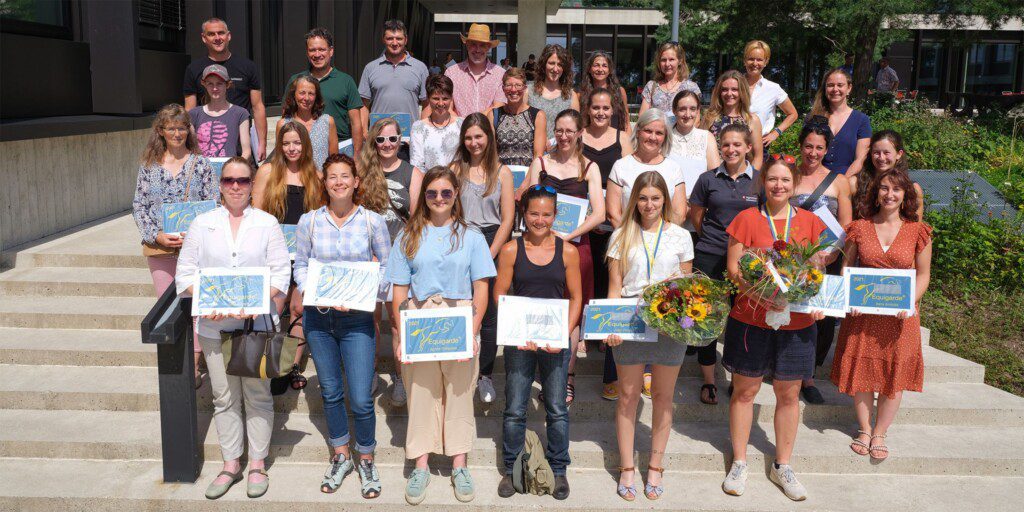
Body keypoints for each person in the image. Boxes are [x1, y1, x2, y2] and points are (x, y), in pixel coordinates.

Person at [174, 157, 289, 500]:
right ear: (220, 184)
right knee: (223, 398)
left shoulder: (267, 223)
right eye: (229, 180)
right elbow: (185, 274)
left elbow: (281, 273)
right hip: (213, 328)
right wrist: (213, 304)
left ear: (253, 184)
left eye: (242, 180)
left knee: (257, 396)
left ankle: (256, 463)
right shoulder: (202, 223)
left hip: (255, 327)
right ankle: (230, 463)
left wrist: (252, 301)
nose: (236, 186)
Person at [386, 166, 497, 505]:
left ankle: (459, 463)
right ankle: (420, 463)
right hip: (420, 320)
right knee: (421, 393)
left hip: (459, 320)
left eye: (445, 192)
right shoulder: (408, 235)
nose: (438, 198)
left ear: (455, 196)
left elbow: (482, 289)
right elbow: (399, 292)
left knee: (459, 393)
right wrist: (403, 332)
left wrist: (473, 332)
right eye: (432, 192)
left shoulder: (473, 237)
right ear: (425, 197)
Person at [721, 155, 828, 502]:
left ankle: (782, 464)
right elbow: (735, 269)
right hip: (751, 317)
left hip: (796, 322)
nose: (778, 186)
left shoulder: (811, 222)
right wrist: (761, 295)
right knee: (745, 391)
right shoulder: (746, 218)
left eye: (785, 180)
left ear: (794, 184)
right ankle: (739, 462)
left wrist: (813, 295)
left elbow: (817, 271)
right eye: (772, 180)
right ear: (762, 183)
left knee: (788, 394)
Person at [293, 154, 391, 498]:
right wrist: (313, 292)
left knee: (362, 397)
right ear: (325, 182)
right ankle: (340, 455)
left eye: (345, 176)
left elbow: (386, 270)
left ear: (356, 181)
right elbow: (301, 266)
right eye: (332, 176)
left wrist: (364, 293)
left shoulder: (373, 222)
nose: (338, 182)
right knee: (332, 392)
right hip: (318, 319)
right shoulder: (309, 221)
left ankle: (366, 457)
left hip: (357, 319)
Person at [603, 171, 694, 502]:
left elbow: (688, 288)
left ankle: (655, 466)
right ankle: (627, 466)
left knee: (663, 396)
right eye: (643, 198)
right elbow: (615, 288)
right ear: (634, 200)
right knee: (627, 395)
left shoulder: (681, 237)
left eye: (656, 198)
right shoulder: (620, 236)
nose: (649, 204)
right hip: (630, 322)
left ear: (665, 201)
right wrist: (609, 325)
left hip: (670, 324)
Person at [831, 168, 932, 462]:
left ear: (905, 196)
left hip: (901, 317)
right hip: (864, 314)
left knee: (893, 375)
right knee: (862, 372)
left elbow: (924, 275)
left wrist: (911, 301)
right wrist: (851, 295)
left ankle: (880, 432)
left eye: (896, 190)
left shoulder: (918, 231)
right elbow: (846, 269)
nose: (889, 194)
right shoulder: (859, 228)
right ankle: (864, 429)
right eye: (884, 188)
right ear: (876, 193)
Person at [494, 185, 582, 501]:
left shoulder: (568, 251)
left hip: (555, 343)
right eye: (534, 213)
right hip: (522, 342)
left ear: (555, 215)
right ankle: (512, 468)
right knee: (515, 408)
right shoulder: (510, 251)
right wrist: (516, 331)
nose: (540, 220)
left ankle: (558, 470)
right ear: (524, 215)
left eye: (546, 214)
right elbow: (500, 294)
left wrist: (562, 335)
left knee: (557, 409)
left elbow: (576, 298)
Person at [132, 104, 217, 384]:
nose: (177, 133)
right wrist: (156, 235)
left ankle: (191, 367)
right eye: (171, 128)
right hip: (161, 250)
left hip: (194, 251)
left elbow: (213, 203)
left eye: (182, 128)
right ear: (161, 131)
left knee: (195, 307)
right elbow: (139, 207)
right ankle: (174, 363)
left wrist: (197, 235)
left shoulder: (200, 164)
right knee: (167, 307)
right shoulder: (149, 167)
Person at [528, 109, 606, 404]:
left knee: (572, 313)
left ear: (579, 134)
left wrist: (568, 235)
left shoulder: (590, 167)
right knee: (541, 306)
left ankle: (567, 375)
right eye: (558, 130)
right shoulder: (541, 163)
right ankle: (540, 367)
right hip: (539, 247)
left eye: (568, 131)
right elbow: (529, 201)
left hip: (575, 248)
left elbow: (598, 213)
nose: (563, 136)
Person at [686, 124, 761, 405]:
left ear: (748, 148)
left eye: (737, 145)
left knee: (741, 319)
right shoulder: (707, 179)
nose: (731, 149)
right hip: (711, 253)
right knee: (706, 317)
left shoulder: (759, 182)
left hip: (747, 262)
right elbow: (697, 215)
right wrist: (712, 239)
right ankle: (709, 380)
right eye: (726, 145)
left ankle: (736, 374)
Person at [253, 121, 326, 391]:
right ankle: (266, 362)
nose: (292, 148)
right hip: (274, 253)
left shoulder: (315, 176)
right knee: (274, 309)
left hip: (305, 255)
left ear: (305, 145)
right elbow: (256, 212)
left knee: (298, 310)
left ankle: (289, 365)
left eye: (297, 143)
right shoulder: (267, 171)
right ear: (279, 145)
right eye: (286, 143)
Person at [451, 113, 515, 403]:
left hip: (493, 242)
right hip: (461, 240)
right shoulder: (454, 169)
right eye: (468, 137)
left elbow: (508, 218)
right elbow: (448, 212)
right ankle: (459, 370)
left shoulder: (502, 172)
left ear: (488, 138)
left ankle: (486, 376)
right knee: (461, 306)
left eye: (479, 136)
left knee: (488, 314)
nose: (474, 142)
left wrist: (489, 255)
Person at [360, 117, 424, 407]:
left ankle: (400, 377)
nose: (387, 145)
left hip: (399, 258)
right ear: (374, 142)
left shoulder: (413, 173)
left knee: (398, 323)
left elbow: (416, 220)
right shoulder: (362, 172)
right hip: (368, 258)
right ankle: (370, 372)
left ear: (402, 141)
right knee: (369, 322)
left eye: (392, 139)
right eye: (381, 140)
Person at [791, 123, 852, 404]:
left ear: (826, 150)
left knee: (824, 319)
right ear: (801, 145)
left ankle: (810, 375)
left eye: (819, 148)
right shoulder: (789, 176)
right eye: (808, 146)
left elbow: (846, 223)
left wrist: (834, 252)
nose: (813, 153)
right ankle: (788, 367)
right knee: (794, 312)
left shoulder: (839, 181)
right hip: (793, 259)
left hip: (829, 258)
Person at [582, 87, 635, 400]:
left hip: (614, 216)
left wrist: (615, 214)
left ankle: (605, 334)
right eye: (596, 108)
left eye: (605, 108)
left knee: (613, 276)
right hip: (584, 216)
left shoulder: (622, 138)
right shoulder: (579, 135)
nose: (600, 113)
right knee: (590, 276)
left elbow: (627, 177)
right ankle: (590, 333)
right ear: (588, 109)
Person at [183, 18, 267, 160]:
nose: (217, 38)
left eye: (221, 33)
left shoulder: (247, 67)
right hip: (206, 147)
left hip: (241, 143)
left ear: (228, 36)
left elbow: (257, 106)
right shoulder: (193, 69)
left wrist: (262, 142)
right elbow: (189, 110)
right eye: (211, 34)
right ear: (204, 38)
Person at [286, 28, 364, 156]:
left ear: (331, 51)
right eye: (312, 50)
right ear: (307, 53)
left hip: (341, 147)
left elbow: (356, 123)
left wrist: (357, 155)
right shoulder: (296, 81)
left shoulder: (346, 81)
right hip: (302, 148)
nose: (317, 55)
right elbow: (286, 116)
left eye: (322, 49)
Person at [607, 108, 687, 229]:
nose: (653, 137)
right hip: (628, 241)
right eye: (648, 131)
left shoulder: (674, 168)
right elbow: (614, 214)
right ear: (638, 131)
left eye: (659, 133)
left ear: (665, 137)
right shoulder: (620, 166)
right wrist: (631, 240)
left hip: (662, 242)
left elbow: (679, 215)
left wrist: (659, 238)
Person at [358, 20, 429, 128]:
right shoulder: (370, 68)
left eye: (399, 38)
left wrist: (422, 132)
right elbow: (363, 104)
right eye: (390, 38)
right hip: (379, 137)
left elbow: (427, 104)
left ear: (406, 40)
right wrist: (364, 131)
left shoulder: (420, 68)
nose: (395, 43)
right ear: (383, 40)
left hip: (410, 138)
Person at [669, 89, 721, 225]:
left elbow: (715, 176)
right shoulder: (665, 137)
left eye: (692, 109)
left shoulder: (706, 137)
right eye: (682, 109)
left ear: (698, 111)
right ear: (674, 110)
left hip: (699, 211)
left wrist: (694, 204)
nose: (687, 114)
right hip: (669, 213)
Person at [808, 68, 871, 176]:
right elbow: (807, 153)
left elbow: (860, 159)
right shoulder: (814, 117)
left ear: (849, 88)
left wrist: (842, 181)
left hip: (848, 179)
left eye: (840, 85)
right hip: (816, 177)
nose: (835, 89)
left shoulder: (861, 120)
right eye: (830, 85)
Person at [850, 130, 924, 221]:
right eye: (876, 153)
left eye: (886, 152)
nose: (881, 158)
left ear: (898, 154)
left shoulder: (913, 189)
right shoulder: (855, 184)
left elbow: (916, 227)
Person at [701, 70, 764, 170]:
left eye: (734, 89)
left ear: (742, 92)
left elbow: (758, 156)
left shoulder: (752, 120)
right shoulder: (709, 117)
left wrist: (750, 180)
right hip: (715, 176)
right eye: (725, 89)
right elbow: (701, 150)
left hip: (742, 178)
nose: (729, 93)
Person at [188, 64, 251, 160]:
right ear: (203, 84)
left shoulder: (240, 113)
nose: (215, 88)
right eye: (210, 84)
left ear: (228, 84)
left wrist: (236, 169)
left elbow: (246, 152)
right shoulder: (193, 114)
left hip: (229, 169)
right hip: (201, 169)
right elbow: (190, 147)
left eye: (219, 84)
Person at [443, 23, 506, 118]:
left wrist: (476, 123)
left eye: (482, 45)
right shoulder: (451, 73)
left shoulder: (500, 74)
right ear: (467, 45)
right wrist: (464, 126)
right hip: (459, 130)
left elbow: (498, 106)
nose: (477, 49)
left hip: (488, 130)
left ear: (488, 47)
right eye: (473, 44)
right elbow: (447, 107)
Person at [743, 41, 799, 147]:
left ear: (766, 62)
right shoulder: (734, 85)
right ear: (745, 60)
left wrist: (776, 133)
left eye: (759, 60)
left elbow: (793, 114)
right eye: (751, 59)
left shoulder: (773, 89)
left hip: (759, 146)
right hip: (733, 145)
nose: (755, 63)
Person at [489, 67, 546, 168]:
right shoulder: (494, 115)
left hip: (528, 176)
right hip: (501, 176)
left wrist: (526, 182)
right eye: (509, 85)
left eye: (518, 85)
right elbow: (491, 153)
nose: (513, 89)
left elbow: (538, 156)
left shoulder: (537, 116)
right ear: (503, 88)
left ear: (524, 88)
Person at [278, 75, 338, 170]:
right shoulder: (283, 124)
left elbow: (334, 160)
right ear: (294, 94)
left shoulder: (328, 122)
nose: (306, 98)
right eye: (302, 93)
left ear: (316, 96)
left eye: (311, 94)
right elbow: (280, 159)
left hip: (320, 181)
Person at [410, 74, 464, 171]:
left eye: (445, 98)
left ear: (451, 98)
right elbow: (417, 164)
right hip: (428, 183)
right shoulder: (418, 127)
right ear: (428, 98)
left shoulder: (461, 124)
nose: (440, 103)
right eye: (435, 98)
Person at [527, 44, 580, 140]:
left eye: (560, 65)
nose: (555, 69)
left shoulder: (571, 96)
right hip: (531, 152)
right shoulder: (528, 92)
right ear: (543, 65)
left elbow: (575, 131)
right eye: (551, 63)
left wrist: (553, 143)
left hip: (560, 152)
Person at [639, 42, 700, 116]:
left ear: (680, 61)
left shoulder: (691, 87)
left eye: (671, 59)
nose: (667, 64)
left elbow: (696, 119)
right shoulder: (651, 86)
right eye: (663, 60)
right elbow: (642, 117)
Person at [579, 51, 632, 134]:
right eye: (596, 65)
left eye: (604, 66)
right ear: (589, 69)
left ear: (610, 70)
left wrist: (627, 141)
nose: (600, 69)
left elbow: (626, 122)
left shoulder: (620, 92)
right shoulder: (580, 94)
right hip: (590, 141)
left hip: (616, 141)